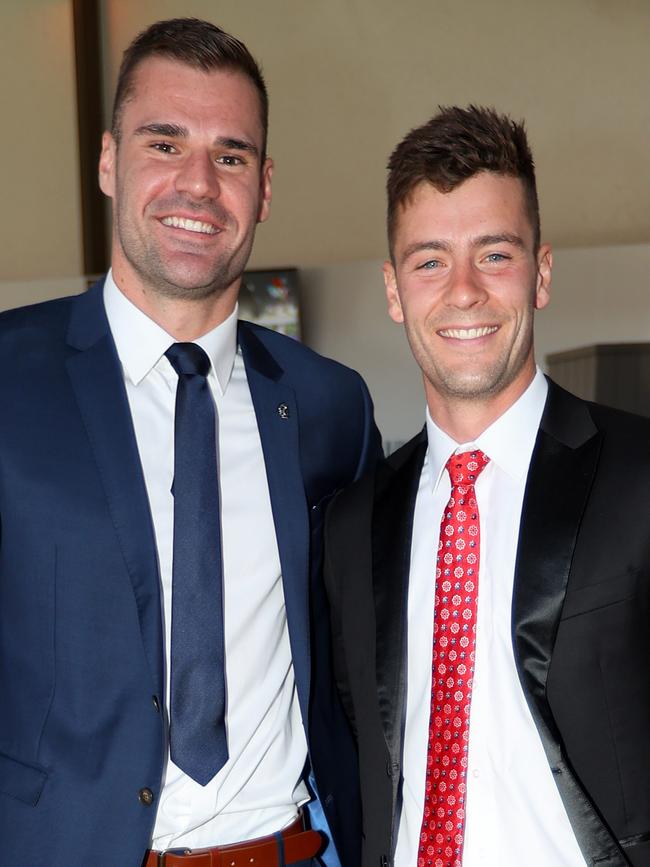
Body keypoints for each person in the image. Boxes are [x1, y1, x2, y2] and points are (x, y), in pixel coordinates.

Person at [0, 18, 380, 867]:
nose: (198, 184)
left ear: (265, 184)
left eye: (231, 155)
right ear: (108, 161)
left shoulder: (330, 408)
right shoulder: (9, 384)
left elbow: (363, 670)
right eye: (164, 143)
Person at [324, 104, 650, 867]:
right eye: (430, 260)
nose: (462, 290)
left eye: (494, 254)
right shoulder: (351, 527)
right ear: (394, 289)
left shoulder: (639, 476)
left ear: (540, 273)